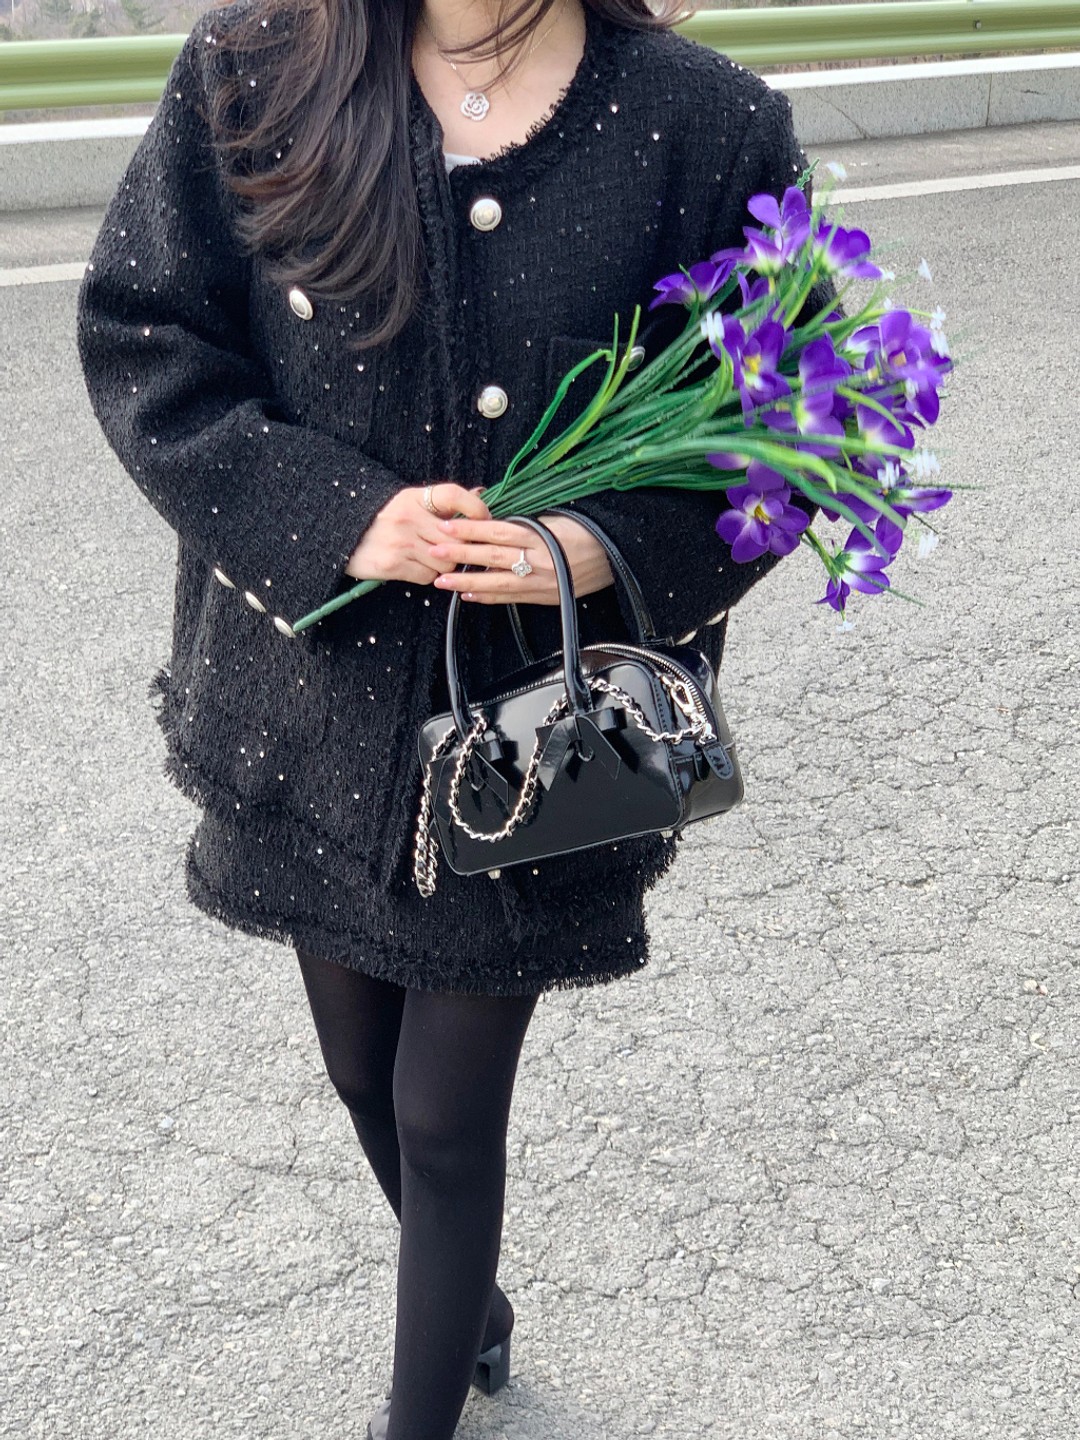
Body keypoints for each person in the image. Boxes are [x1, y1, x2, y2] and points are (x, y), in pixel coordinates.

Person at [76, 1, 826, 1434]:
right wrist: (338, 519)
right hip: (311, 706)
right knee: (360, 1066)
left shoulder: (709, 123)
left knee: (441, 1109)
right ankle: (470, 1303)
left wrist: (601, 547)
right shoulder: (256, 64)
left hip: (532, 739)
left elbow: (794, 422)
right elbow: (145, 335)